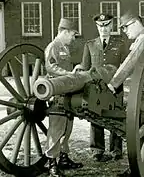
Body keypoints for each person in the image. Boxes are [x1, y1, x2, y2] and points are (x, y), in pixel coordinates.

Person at [107, 11, 144, 177]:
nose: (124, 31)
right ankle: (142, 166)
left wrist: (112, 83)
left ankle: (141, 168)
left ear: (136, 23)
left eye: (125, 26)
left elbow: (130, 62)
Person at [75, 13, 129, 162]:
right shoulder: (90, 44)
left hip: (115, 86)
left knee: (116, 114)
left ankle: (116, 149)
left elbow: (125, 66)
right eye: (100, 26)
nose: (103, 30)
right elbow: (86, 67)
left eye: (106, 26)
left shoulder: (120, 44)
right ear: (97, 27)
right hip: (95, 87)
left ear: (111, 26)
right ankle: (97, 149)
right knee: (94, 115)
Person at [44, 18, 83, 177]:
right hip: (56, 92)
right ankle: (51, 162)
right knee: (56, 128)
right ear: (65, 32)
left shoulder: (65, 48)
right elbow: (51, 67)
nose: (74, 38)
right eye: (73, 34)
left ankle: (64, 158)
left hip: (67, 91)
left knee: (67, 126)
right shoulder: (53, 46)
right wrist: (69, 74)